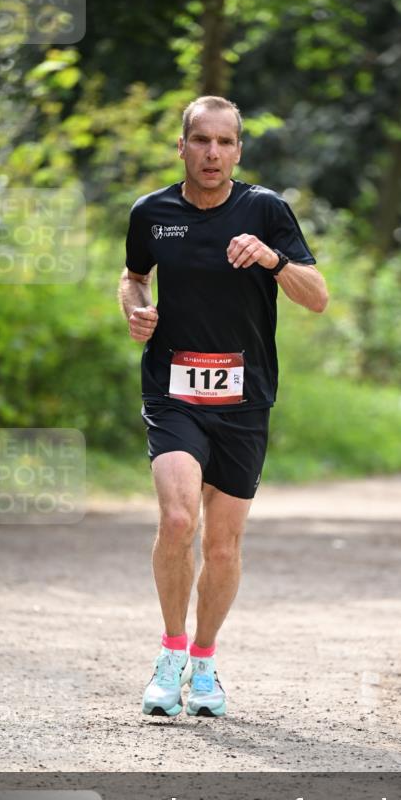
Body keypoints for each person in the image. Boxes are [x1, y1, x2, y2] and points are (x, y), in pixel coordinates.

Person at [118, 95, 328, 718]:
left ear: (239, 149)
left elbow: (316, 296)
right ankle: (171, 652)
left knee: (223, 546)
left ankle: (205, 663)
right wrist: (134, 308)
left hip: (245, 397)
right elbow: (133, 275)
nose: (213, 153)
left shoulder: (266, 210)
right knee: (180, 521)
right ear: (181, 146)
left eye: (225, 142)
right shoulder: (151, 213)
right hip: (172, 387)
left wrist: (272, 258)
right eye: (201, 141)